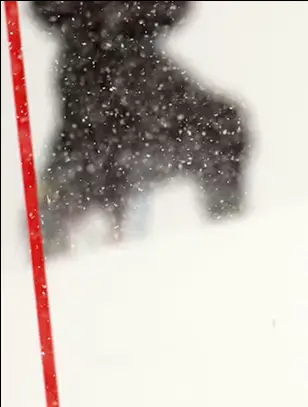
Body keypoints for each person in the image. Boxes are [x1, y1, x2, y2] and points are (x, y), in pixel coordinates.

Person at [29, 1, 249, 256]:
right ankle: (59, 270)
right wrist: (93, 15)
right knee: (59, 194)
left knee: (223, 127)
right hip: (86, 82)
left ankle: (231, 238)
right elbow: (46, 9)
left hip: (144, 76)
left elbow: (173, 9)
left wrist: (127, 13)